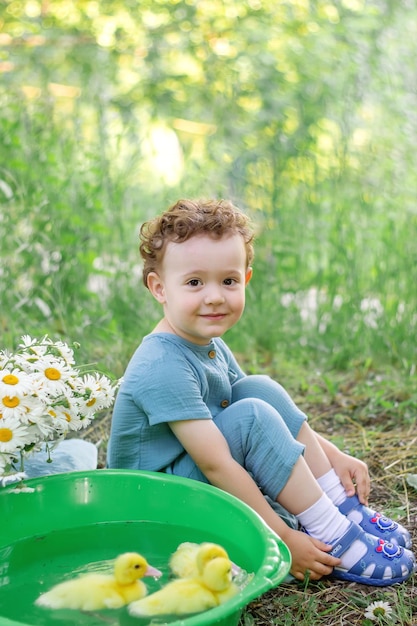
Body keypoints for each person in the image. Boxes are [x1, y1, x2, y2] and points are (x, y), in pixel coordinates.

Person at [107, 198, 415, 585]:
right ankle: (329, 532)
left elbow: (265, 409)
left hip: (184, 484)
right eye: (194, 282)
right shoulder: (160, 365)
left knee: (257, 389)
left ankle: (336, 501)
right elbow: (216, 462)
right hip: (154, 507)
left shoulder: (206, 341)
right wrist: (282, 538)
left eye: (229, 281)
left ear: (246, 279)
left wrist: (333, 457)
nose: (215, 296)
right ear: (159, 288)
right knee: (250, 416)